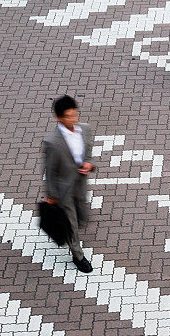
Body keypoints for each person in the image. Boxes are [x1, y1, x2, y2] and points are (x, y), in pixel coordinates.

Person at [43, 95, 95, 273]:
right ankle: (78, 255)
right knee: (72, 225)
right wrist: (51, 195)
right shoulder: (52, 142)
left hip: (80, 184)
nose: (73, 120)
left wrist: (89, 164)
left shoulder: (86, 130)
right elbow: (49, 171)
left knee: (82, 215)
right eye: (68, 117)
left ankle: (73, 234)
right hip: (62, 190)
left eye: (75, 115)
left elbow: (87, 153)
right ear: (59, 117)